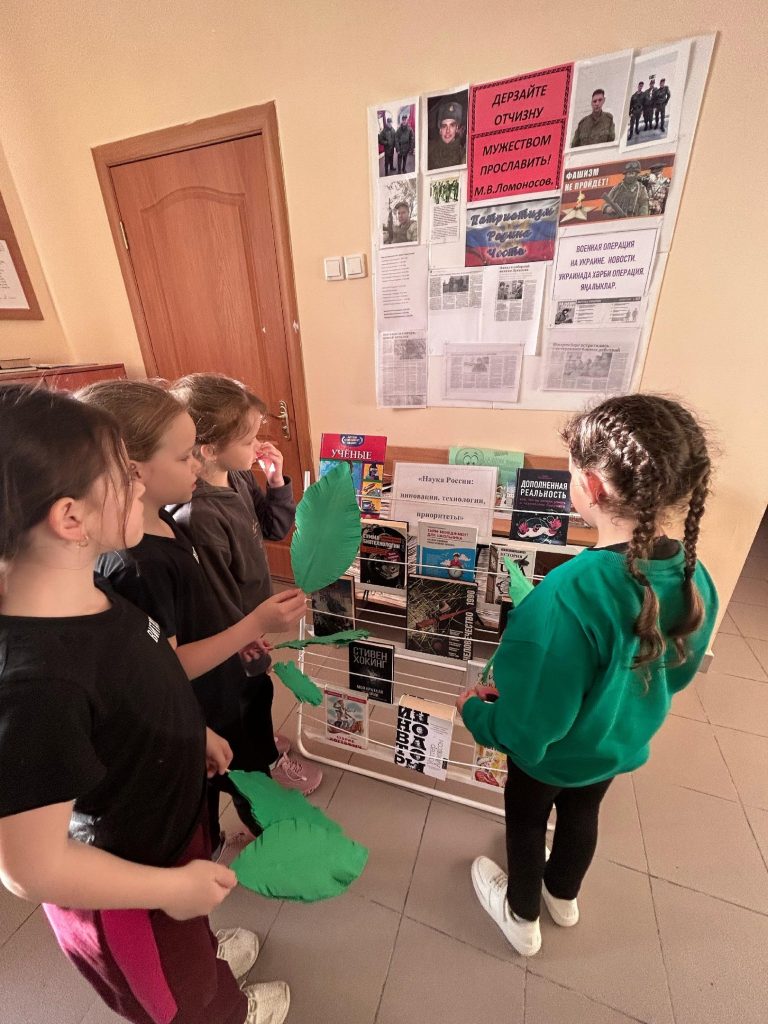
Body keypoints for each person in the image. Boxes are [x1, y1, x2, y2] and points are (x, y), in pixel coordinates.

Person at [0, 384, 299, 1024]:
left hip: (167, 835)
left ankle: (203, 961)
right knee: (181, 1003)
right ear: (70, 518)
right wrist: (168, 888)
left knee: (190, 945)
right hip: (128, 889)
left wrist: (191, 733)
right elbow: (30, 868)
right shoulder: (33, 685)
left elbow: (147, 673)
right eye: (123, 474)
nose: (138, 483)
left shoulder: (92, 593)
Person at [456, 394, 718, 958]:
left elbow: (530, 726)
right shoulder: (696, 578)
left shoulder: (569, 592)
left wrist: (477, 714)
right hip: (614, 746)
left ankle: (521, 916)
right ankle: (563, 895)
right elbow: (677, 674)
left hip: (549, 756)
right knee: (583, 812)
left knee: (528, 822)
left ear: (592, 486)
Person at [78, 379, 308, 853]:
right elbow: (169, 666)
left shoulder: (161, 522)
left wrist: (243, 635)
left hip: (220, 684)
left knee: (235, 759)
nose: (197, 467)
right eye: (186, 457)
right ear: (134, 471)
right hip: (200, 701)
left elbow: (198, 608)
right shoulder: (138, 564)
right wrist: (253, 624)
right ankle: (234, 839)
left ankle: (228, 829)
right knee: (224, 777)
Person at [170, 373, 323, 797]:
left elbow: (273, 527)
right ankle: (263, 762)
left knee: (259, 693)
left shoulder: (236, 476)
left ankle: (261, 744)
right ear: (208, 449)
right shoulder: (199, 515)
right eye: (248, 440)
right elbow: (216, 600)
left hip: (251, 626)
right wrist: (249, 637)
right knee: (246, 702)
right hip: (233, 639)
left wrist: (275, 481)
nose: (258, 447)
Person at [427, 100, 466, 169]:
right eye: (444, 126)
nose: (448, 131)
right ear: (440, 130)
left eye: (452, 125)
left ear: (456, 128)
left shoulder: (463, 155)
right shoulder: (429, 149)